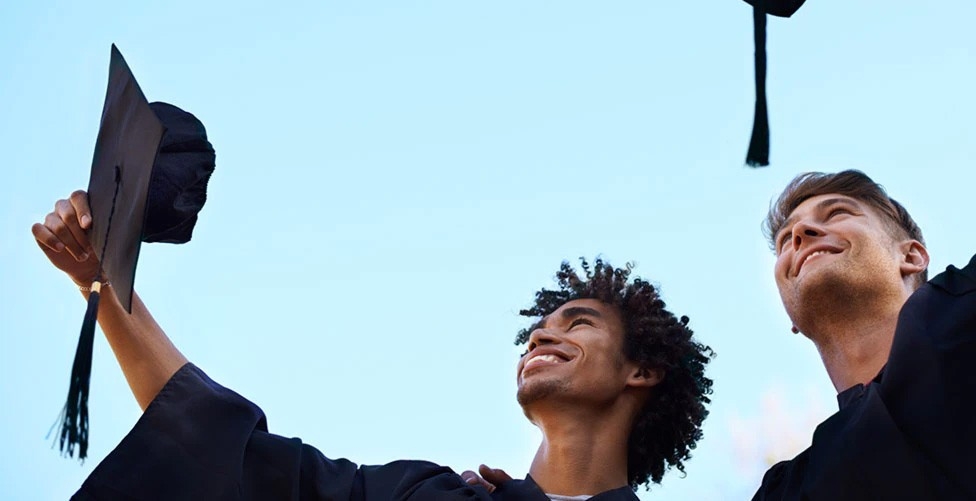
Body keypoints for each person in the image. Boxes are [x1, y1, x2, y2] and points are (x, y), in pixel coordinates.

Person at [34, 190, 714, 500]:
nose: (543, 332)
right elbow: (225, 451)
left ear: (643, 370)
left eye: (580, 323)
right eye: (542, 323)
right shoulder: (423, 497)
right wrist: (102, 280)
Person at [752, 170, 976, 500]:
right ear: (791, 316)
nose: (800, 232)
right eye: (786, 240)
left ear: (910, 256)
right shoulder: (787, 490)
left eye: (837, 213)